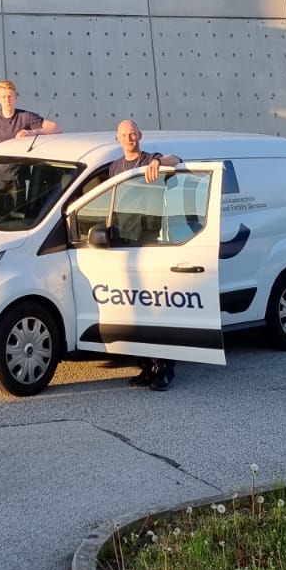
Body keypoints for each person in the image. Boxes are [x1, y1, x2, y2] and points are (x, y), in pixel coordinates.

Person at [106, 119, 181, 392]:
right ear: (118, 138)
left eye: (133, 133)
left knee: (153, 308)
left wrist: (159, 162)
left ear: (140, 135)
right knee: (134, 310)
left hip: (148, 242)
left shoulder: (151, 160)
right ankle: (147, 367)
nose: (129, 138)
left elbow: (178, 160)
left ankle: (164, 368)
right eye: (124, 134)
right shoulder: (114, 168)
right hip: (123, 243)